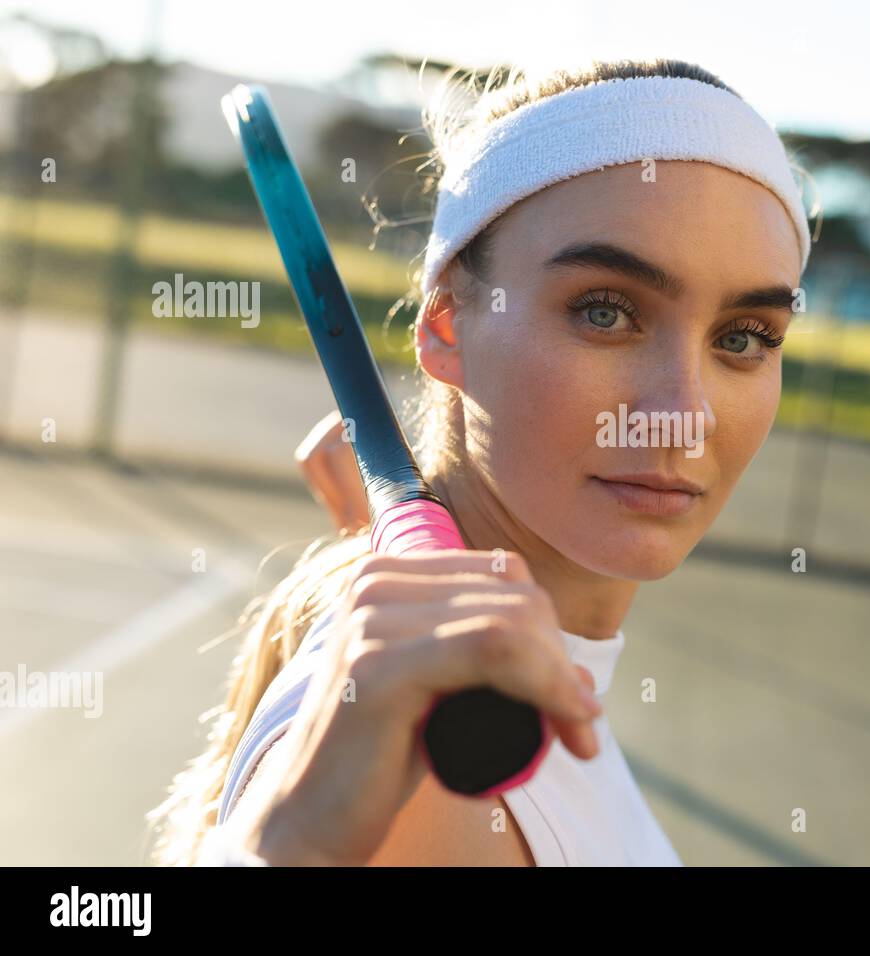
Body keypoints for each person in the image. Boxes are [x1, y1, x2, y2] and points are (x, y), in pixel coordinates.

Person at [148, 56, 814, 866]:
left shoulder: (479, 680)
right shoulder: (436, 788)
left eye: (744, 338)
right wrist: (294, 847)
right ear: (446, 326)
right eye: (606, 312)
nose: (680, 419)